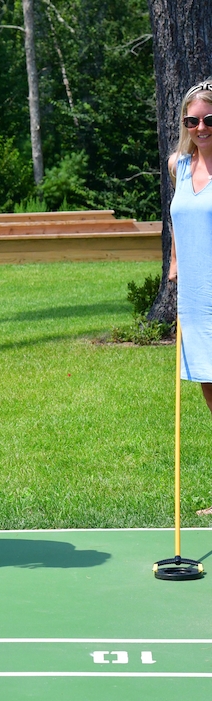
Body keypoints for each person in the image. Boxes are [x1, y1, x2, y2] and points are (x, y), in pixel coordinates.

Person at [168, 78, 212, 515]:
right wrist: (174, 264)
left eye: (209, 119)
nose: (201, 127)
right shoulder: (178, 165)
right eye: (192, 120)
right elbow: (179, 219)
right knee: (211, 394)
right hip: (196, 300)